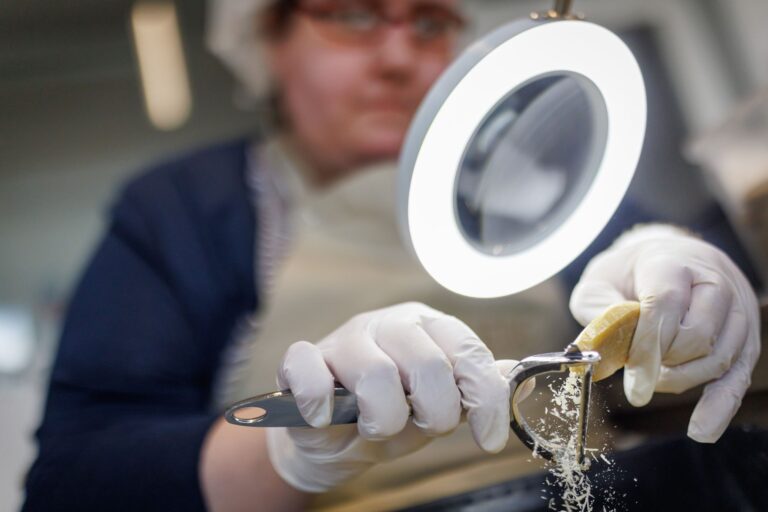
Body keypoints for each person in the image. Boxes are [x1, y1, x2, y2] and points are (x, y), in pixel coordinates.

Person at [22, 1, 761, 511]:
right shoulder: (186, 210)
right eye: (351, 14)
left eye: (431, 20)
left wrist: (685, 293)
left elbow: (655, 357)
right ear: (268, 39)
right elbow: (75, 483)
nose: (401, 55)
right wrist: (293, 454)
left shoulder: (539, 183)